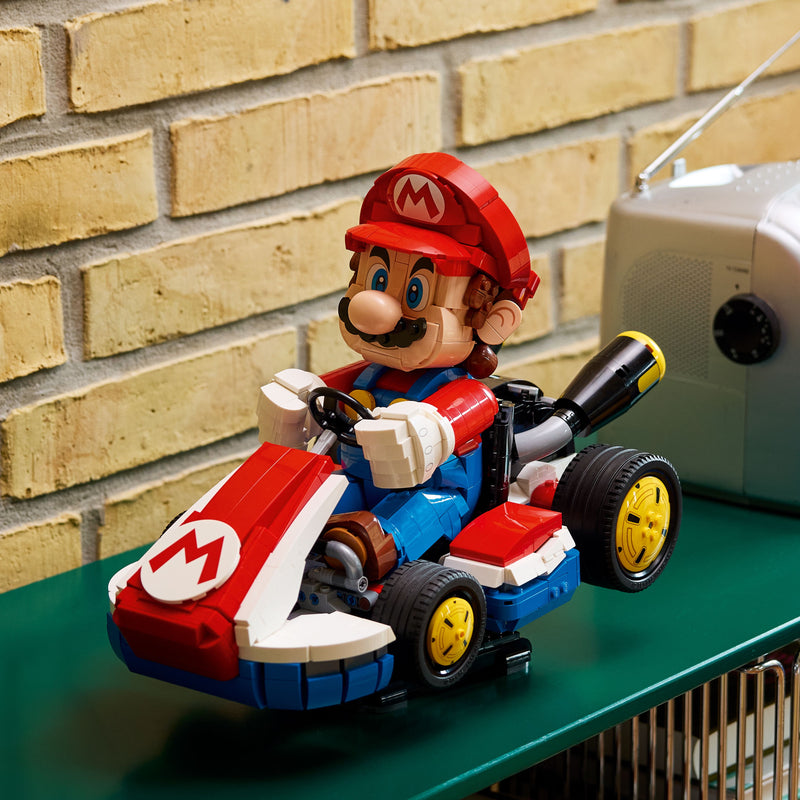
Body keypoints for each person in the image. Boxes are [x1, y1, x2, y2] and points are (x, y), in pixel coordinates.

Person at [257, 153, 539, 580]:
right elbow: (323, 394)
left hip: (438, 491)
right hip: (356, 479)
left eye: (416, 293)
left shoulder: (465, 391)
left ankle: (369, 549)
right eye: (376, 280)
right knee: (303, 504)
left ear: (492, 318)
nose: (374, 309)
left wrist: (423, 425)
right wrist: (300, 396)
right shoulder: (368, 374)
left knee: (413, 511)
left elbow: (457, 416)